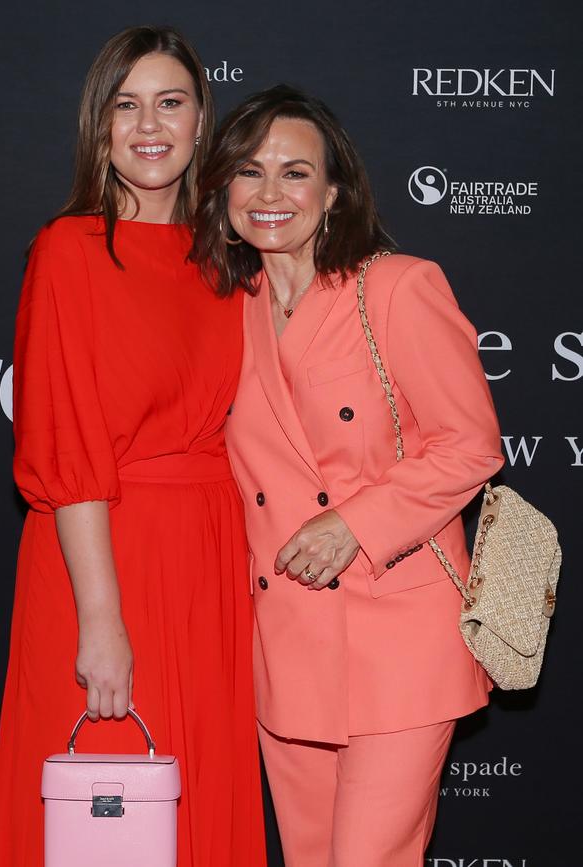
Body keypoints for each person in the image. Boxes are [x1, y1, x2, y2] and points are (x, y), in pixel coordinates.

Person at [191, 84, 504, 867]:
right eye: (249, 171)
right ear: (222, 186)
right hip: (289, 639)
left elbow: (470, 445)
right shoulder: (228, 307)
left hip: (399, 633)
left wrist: (353, 522)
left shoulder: (396, 286)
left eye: (295, 173)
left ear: (333, 192)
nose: (269, 194)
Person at [0, 26, 266, 867]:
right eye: (127, 105)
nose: (150, 125)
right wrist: (102, 621)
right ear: (99, 128)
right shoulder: (69, 251)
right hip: (102, 560)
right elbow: (68, 450)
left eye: (171, 102)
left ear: (199, 119)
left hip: (209, 564)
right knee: (105, 826)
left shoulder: (229, 260)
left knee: (198, 808)